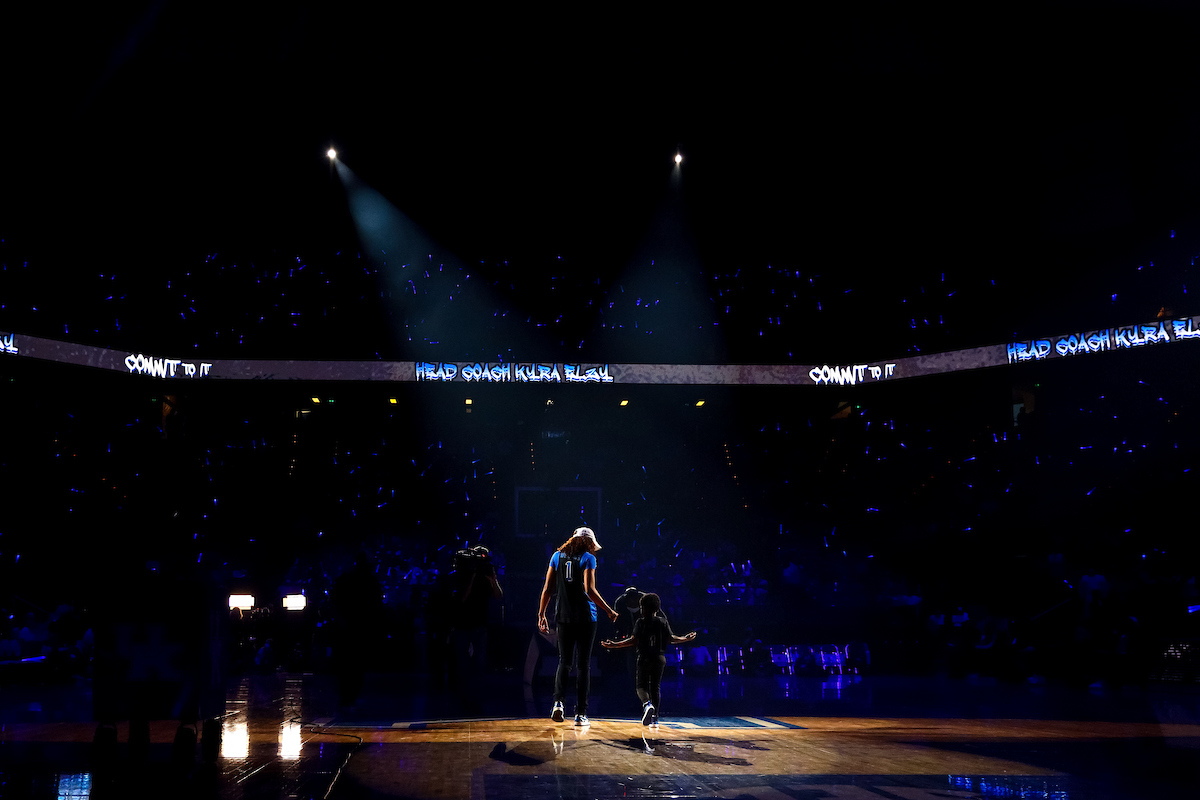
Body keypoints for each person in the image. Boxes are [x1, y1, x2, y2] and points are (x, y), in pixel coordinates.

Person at [537, 526, 619, 726]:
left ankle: (557, 703)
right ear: (589, 543)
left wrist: (541, 614)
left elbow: (548, 588)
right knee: (583, 665)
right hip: (585, 617)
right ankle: (581, 714)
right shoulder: (589, 558)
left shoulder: (557, 556)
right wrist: (609, 610)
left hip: (563, 616)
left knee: (564, 661)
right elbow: (589, 590)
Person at [601, 592, 696, 726]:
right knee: (655, 687)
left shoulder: (640, 622)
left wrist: (615, 644)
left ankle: (647, 704)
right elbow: (671, 639)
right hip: (659, 658)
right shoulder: (662, 621)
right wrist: (685, 638)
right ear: (657, 608)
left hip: (644, 657)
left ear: (642, 608)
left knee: (641, 686)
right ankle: (655, 717)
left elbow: (633, 641)